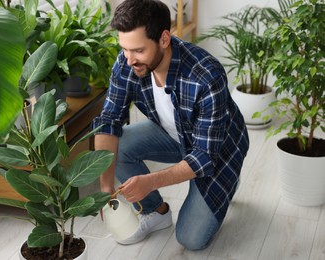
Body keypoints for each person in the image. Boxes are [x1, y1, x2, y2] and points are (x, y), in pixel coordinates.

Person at [92, 0, 249, 250]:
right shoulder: (128, 61)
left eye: (138, 50)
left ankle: (228, 181)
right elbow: (108, 121)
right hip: (173, 132)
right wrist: (105, 186)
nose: (129, 60)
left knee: (190, 239)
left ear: (164, 39)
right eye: (125, 49)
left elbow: (203, 156)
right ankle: (156, 212)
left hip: (217, 150)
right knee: (117, 144)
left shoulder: (206, 76)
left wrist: (151, 180)